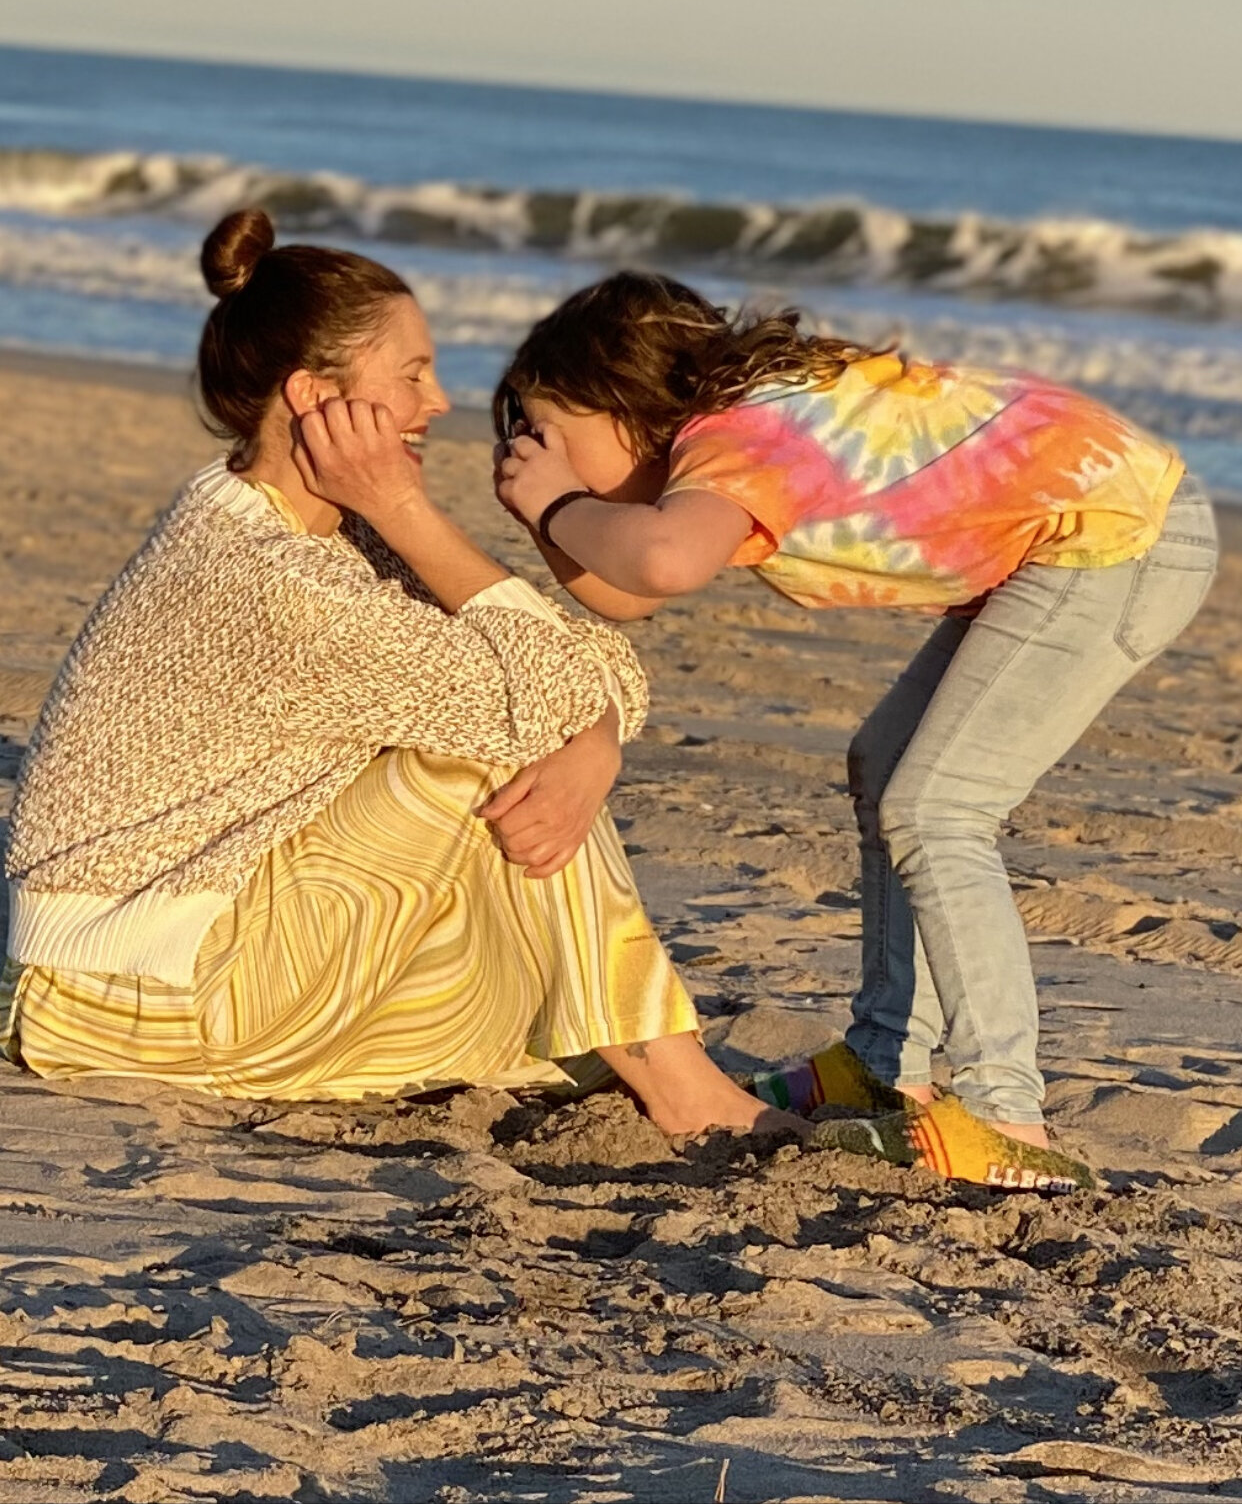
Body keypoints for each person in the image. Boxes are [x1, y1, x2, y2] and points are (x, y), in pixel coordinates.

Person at [0, 215, 782, 1140]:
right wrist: (411, 510)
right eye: (411, 374)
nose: (440, 401)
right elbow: (539, 691)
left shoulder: (322, 527)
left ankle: (656, 1062)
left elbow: (577, 669)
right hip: (120, 993)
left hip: (192, 944)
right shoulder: (268, 574)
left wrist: (596, 747)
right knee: (489, 760)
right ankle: (690, 1095)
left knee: (534, 961)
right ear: (312, 396)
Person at [491, 271, 1218, 1185]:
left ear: (623, 399)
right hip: (1054, 542)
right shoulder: (720, 439)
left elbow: (664, 563)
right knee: (886, 764)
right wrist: (552, 513)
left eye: (549, 430)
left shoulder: (740, 436)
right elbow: (628, 594)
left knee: (938, 805)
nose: (533, 448)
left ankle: (1008, 1119)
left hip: (1118, 536)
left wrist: (558, 504)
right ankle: (885, 1066)